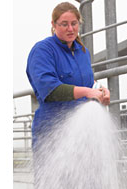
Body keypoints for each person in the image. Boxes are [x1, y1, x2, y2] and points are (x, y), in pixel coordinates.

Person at [26, 1, 110, 148]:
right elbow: (50, 89)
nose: (70, 29)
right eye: (64, 24)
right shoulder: (43, 50)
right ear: (53, 24)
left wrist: (100, 90)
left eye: (74, 23)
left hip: (83, 130)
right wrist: (87, 91)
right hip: (53, 130)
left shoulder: (82, 51)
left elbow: (86, 82)